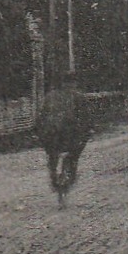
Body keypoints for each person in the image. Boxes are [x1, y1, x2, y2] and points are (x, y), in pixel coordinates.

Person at [36, 72, 93, 208]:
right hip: (69, 134)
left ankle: (54, 176)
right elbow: (86, 118)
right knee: (73, 157)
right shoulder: (78, 97)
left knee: (52, 157)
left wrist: (40, 133)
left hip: (50, 134)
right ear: (74, 83)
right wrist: (88, 130)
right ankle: (67, 179)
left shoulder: (50, 96)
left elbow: (41, 117)